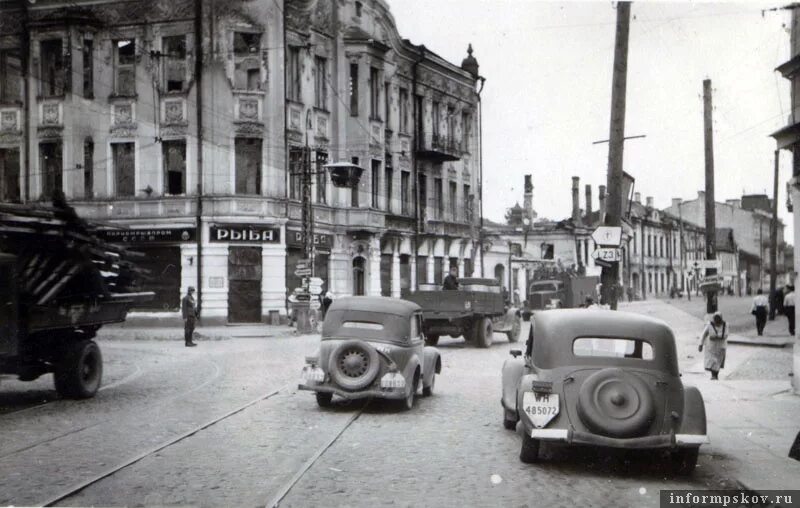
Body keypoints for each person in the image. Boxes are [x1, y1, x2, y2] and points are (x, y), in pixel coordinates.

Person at [699, 312, 728, 380]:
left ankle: (715, 375)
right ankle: (713, 375)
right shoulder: (709, 325)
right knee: (712, 361)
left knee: (718, 361)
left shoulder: (725, 325)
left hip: (721, 346)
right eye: (716, 318)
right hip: (711, 346)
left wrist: (717, 337)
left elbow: (726, 334)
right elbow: (703, 334)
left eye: (718, 318)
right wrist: (701, 344)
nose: (717, 320)